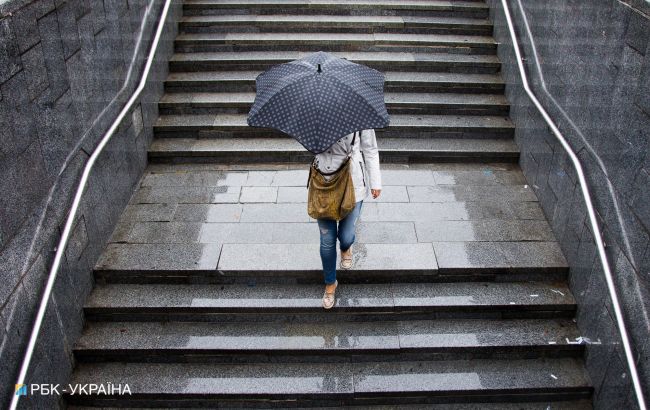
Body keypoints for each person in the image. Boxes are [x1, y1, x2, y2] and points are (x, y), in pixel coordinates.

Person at [313, 128, 382, 309]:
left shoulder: (357, 112)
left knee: (346, 236)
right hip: (324, 183)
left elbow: (370, 149)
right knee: (327, 240)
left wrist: (375, 181)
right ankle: (330, 284)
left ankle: (346, 247)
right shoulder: (314, 113)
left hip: (353, 181)